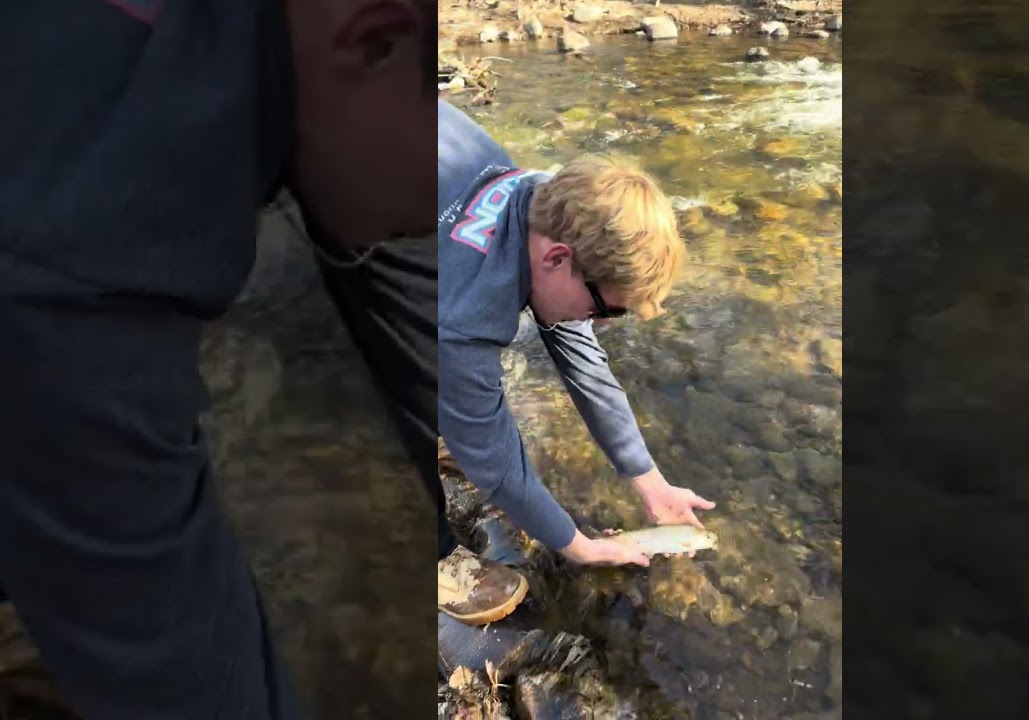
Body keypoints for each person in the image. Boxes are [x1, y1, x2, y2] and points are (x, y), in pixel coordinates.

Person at [0, 1, 443, 717]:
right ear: (373, 40)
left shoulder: (289, 53)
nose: (436, 213)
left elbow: (413, 299)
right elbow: (175, 662)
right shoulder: (80, 251)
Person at [435, 98, 717, 627]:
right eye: (606, 309)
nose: (603, 325)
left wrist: (648, 480)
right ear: (557, 258)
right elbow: (497, 463)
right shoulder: (462, 317)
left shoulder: (545, 199)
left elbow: (586, 366)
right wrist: (581, 547)